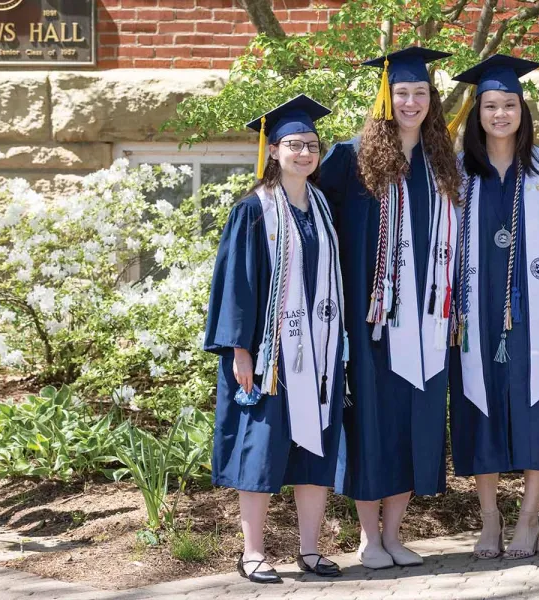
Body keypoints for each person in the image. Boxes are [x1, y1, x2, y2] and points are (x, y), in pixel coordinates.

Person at [318, 47, 461, 569]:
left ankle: (395, 534)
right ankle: (366, 538)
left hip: (427, 320)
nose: (411, 101)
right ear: (384, 97)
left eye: (421, 92)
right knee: (373, 425)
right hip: (370, 323)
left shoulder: (441, 162)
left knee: (414, 424)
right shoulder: (347, 158)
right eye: (401, 92)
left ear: (432, 100)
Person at [204, 95, 348, 582]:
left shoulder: (322, 207)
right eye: (294, 144)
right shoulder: (253, 210)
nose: (304, 152)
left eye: (312, 144)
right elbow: (235, 285)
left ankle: (309, 550)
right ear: (273, 150)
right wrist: (239, 350)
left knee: (316, 448)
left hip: (319, 350)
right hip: (270, 356)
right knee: (261, 449)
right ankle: (252, 553)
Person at [448, 54, 539, 560]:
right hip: (475, 319)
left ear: (523, 110)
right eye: (490, 105)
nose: (500, 114)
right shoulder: (457, 174)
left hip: (534, 320)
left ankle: (530, 517)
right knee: (481, 409)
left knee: (537, 410)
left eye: (509, 104)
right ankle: (490, 518)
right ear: (477, 113)